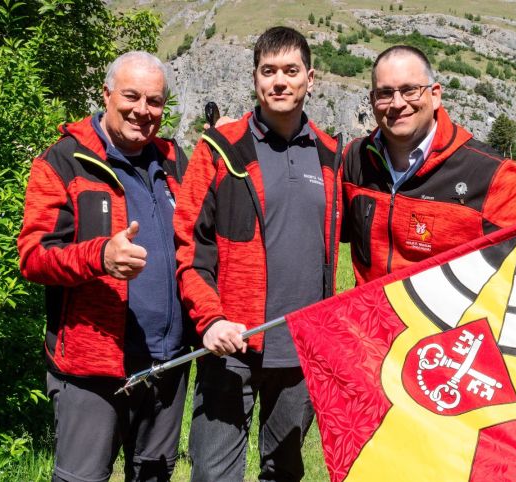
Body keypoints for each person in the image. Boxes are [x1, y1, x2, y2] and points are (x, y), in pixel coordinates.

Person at [342, 45, 516, 338]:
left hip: (444, 347)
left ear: (435, 95)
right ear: (372, 100)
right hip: (370, 341)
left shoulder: (485, 172)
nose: (397, 103)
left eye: (410, 90)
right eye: (385, 93)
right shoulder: (354, 159)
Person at [173, 26, 343, 482]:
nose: (280, 81)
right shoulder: (220, 149)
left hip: (301, 348)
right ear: (255, 79)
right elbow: (189, 247)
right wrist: (210, 320)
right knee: (212, 474)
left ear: (312, 77)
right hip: (231, 344)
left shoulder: (332, 155)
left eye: (291, 71)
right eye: (269, 71)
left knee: (284, 471)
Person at [17, 51, 189, 482]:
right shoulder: (63, 161)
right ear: (107, 94)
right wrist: (99, 257)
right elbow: (33, 256)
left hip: (166, 365)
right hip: (92, 367)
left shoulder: (175, 162)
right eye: (131, 96)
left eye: (154, 102)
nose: (142, 111)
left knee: (154, 476)